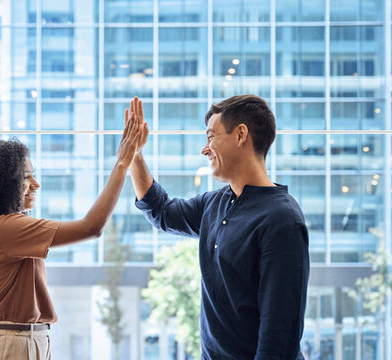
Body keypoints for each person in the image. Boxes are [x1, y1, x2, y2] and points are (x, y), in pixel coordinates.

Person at [0, 111, 148, 359]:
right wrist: (122, 164)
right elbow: (91, 227)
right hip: (15, 344)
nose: (35, 184)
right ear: (4, 184)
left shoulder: (6, 227)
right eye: (25, 177)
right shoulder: (5, 228)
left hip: (28, 340)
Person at [127, 95, 309, 359]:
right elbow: (161, 211)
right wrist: (134, 155)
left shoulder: (282, 219)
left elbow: (279, 333)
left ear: (241, 134)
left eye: (211, 137)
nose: (205, 149)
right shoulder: (215, 203)